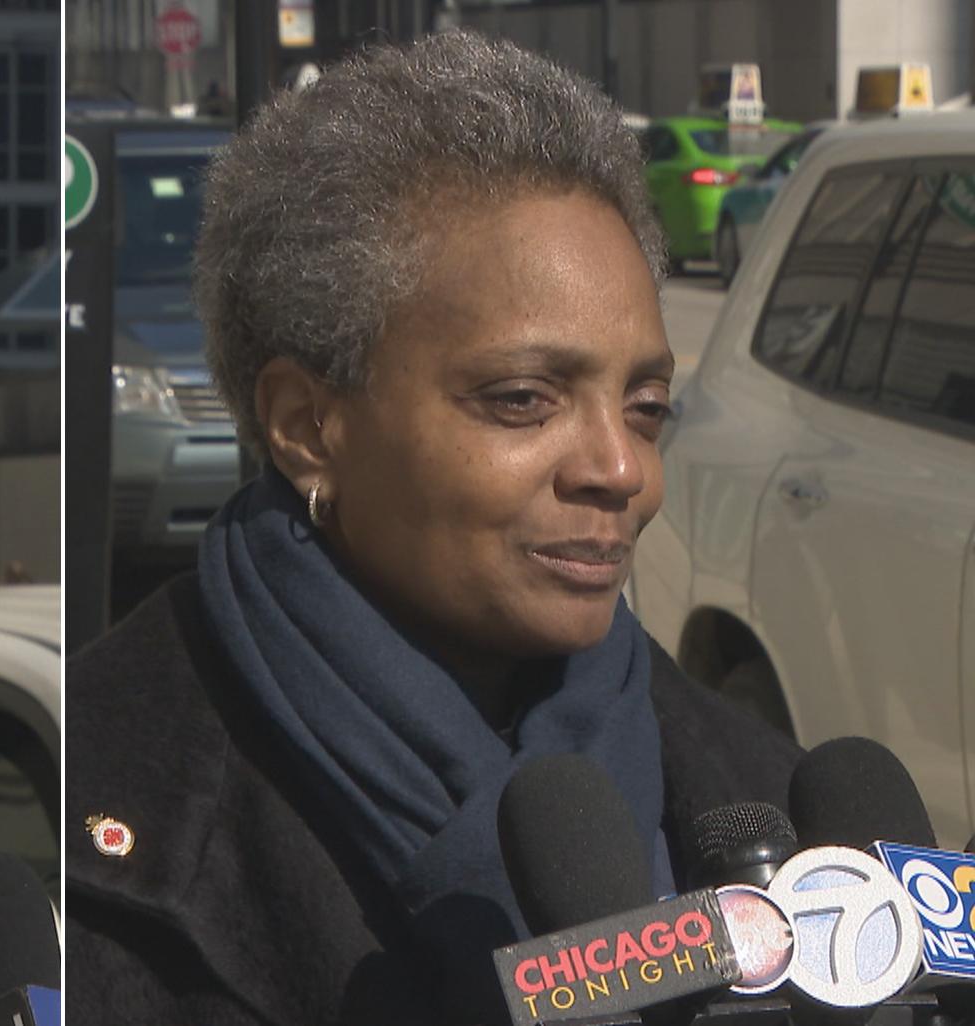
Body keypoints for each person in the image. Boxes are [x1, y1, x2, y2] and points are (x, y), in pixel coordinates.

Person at [65, 32, 803, 1026]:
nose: (620, 469)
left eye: (645, 405)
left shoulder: (769, 808)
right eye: (523, 399)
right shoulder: (99, 827)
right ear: (306, 427)